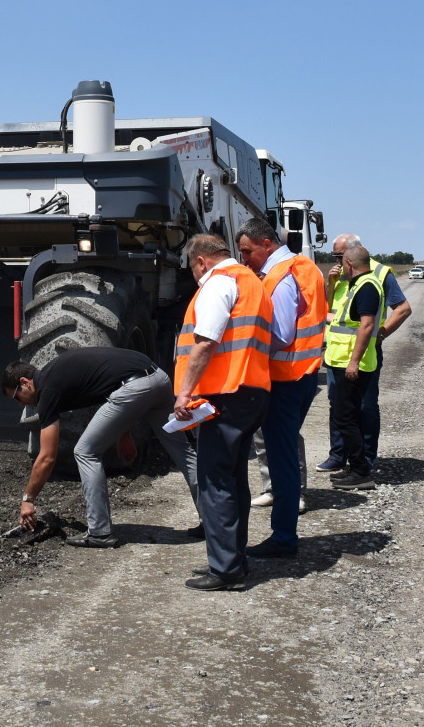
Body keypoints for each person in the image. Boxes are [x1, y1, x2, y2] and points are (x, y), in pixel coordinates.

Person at [4, 347, 200, 548]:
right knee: (182, 452)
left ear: (24, 383)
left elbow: (47, 456)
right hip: (158, 378)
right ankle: (212, 520)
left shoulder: (47, 389)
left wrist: (28, 499)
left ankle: (99, 532)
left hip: (135, 387)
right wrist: (124, 433)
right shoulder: (55, 374)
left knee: (85, 452)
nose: (20, 405)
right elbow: (109, 383)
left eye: (16, 398)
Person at [173, 233, 273, 590]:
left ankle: (226, 570)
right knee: (233, 480)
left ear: (201, 261)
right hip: (252, 392)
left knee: (215, 482)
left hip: (223, 395)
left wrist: (184, 393)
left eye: (192, 268)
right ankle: (234, 559)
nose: (194, 275)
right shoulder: (252, 283)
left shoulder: (219, 283)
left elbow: (205, 343)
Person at [235, 217, 329, 559]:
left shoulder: (278, 278)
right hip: (303, 374)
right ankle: (284, 532)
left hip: (284, 379)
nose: (245, 260)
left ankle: (284, 537)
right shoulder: (307, 268)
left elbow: (281, 334)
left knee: (281, 458)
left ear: (266, 244)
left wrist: (243, 344)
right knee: (283, 454)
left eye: (247, 252)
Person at [317, 234, 411, 477]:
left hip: (361, 353)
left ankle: (365, 459)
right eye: (334, 256)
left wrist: (381, 334)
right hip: (338, 354)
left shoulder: (378, 273)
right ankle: (338, 455)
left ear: (352, 254)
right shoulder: (341, 275)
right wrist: (330, 284)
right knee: (338, 406)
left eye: (339, 256)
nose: (335, 260)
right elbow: (331, 312)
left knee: (365, 406)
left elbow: (402, 309)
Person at [321, 245, 391, 490]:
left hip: (352, 364)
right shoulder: (356, 285)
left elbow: (367, 325)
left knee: (346, 418)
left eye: (342, 261)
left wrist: (353, 362)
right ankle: (355, 466)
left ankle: (361, 471)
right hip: (342, 361)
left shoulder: (367, 286)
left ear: (349, 263)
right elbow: (340, 319)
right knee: (346, 416)